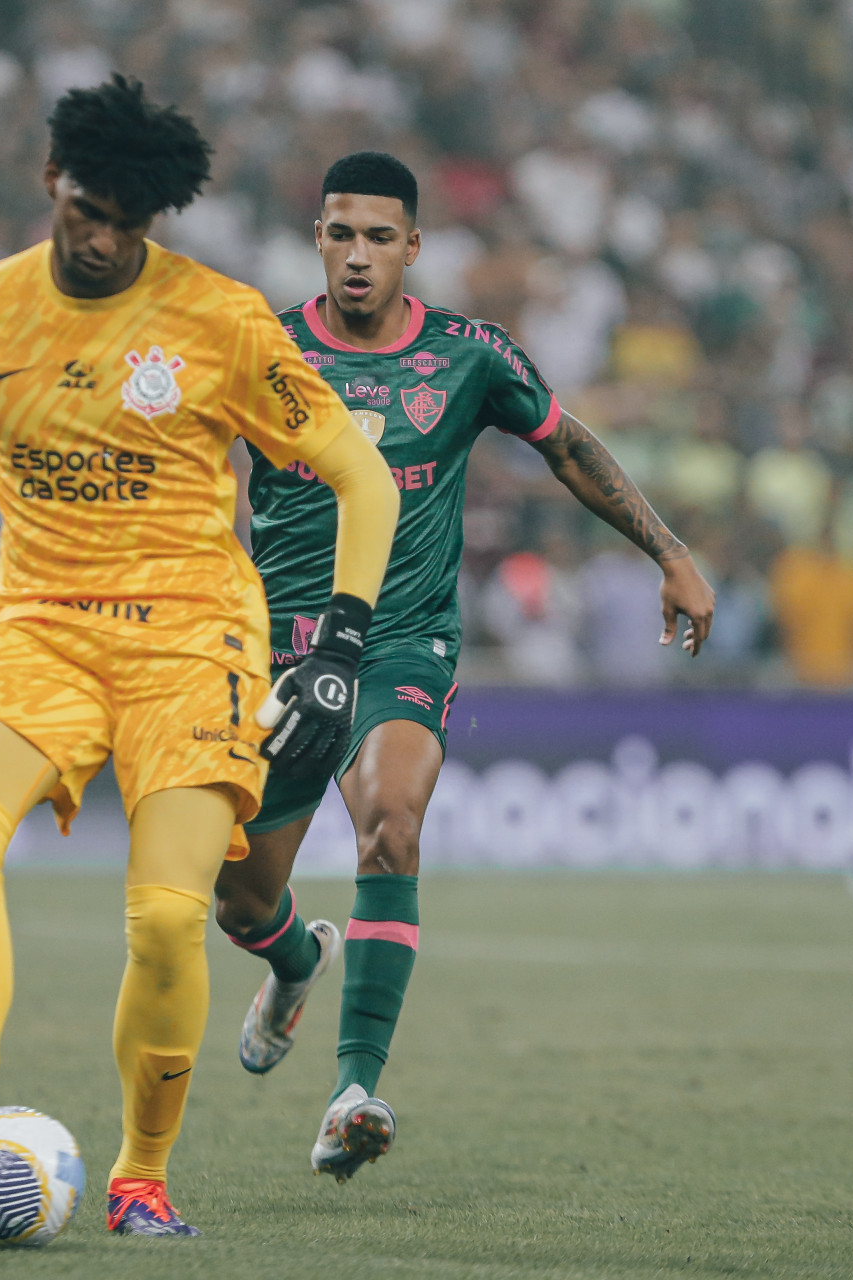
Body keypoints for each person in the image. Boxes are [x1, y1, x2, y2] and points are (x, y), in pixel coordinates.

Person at [0, 78, 398, 1237]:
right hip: (36, 621)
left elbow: (361, 475)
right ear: (51, 183)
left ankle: (140, 1178)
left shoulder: (221, 321)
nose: (101, 236)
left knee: (171, 919)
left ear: (152, 220)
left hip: (190, 640)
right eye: (87, 207)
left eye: (127, 220)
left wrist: (337, 642)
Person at [211, 152, 716, 1182]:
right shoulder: (260, 348)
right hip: (280, 651)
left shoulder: (469, 354)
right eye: (340, 234)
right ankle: (296, 962)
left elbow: (566, 444)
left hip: (403, 640)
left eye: (379, 237)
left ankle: (354, 1086)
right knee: (235, 897)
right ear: (318, 238)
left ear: (413, 247)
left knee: (391, 822)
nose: (358, 256)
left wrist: (667, 549)